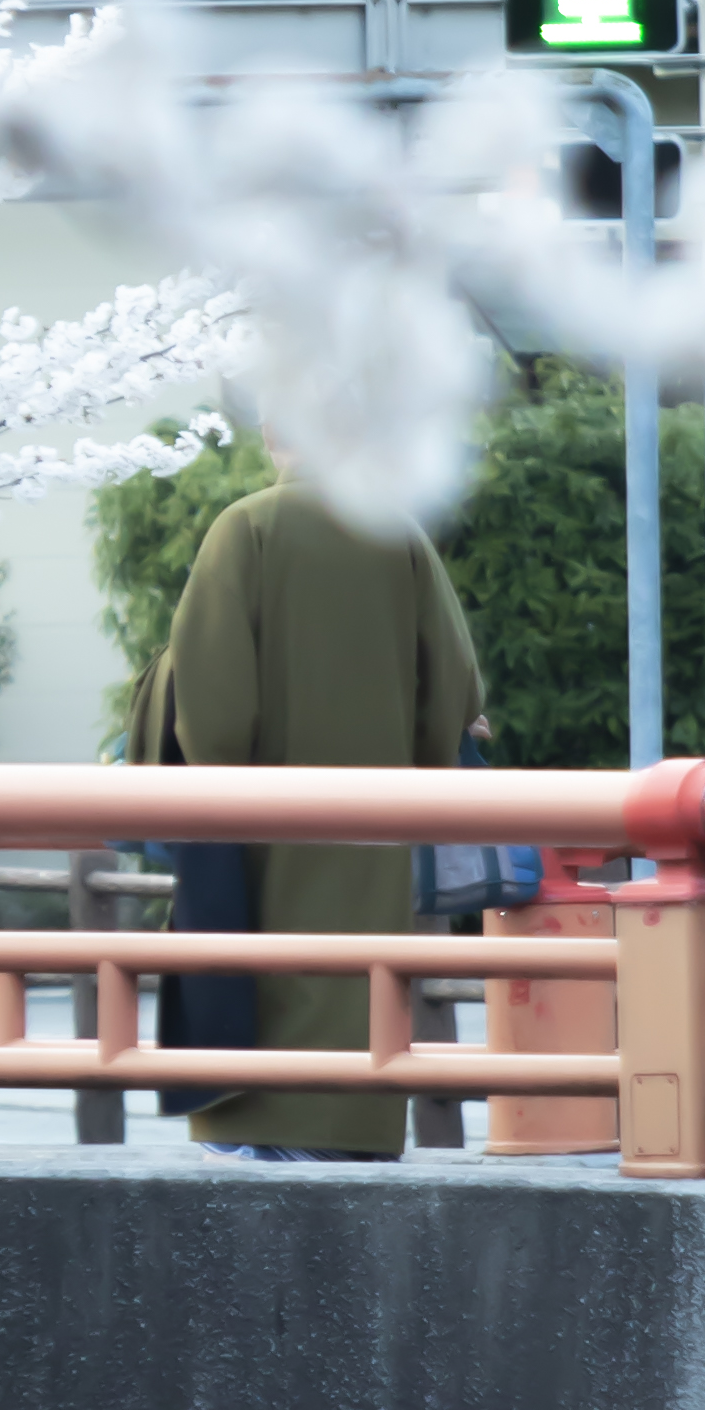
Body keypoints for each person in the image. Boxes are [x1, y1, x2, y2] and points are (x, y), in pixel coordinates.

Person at [134, 475, 484, 1160]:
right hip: (370, 837)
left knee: (253, 1005)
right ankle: (353, 1130)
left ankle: (255, 1133)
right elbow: (453, 686)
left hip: (256, 842)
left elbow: (215, 721)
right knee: (360, 990)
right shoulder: (398, 531)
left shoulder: (245, 529)